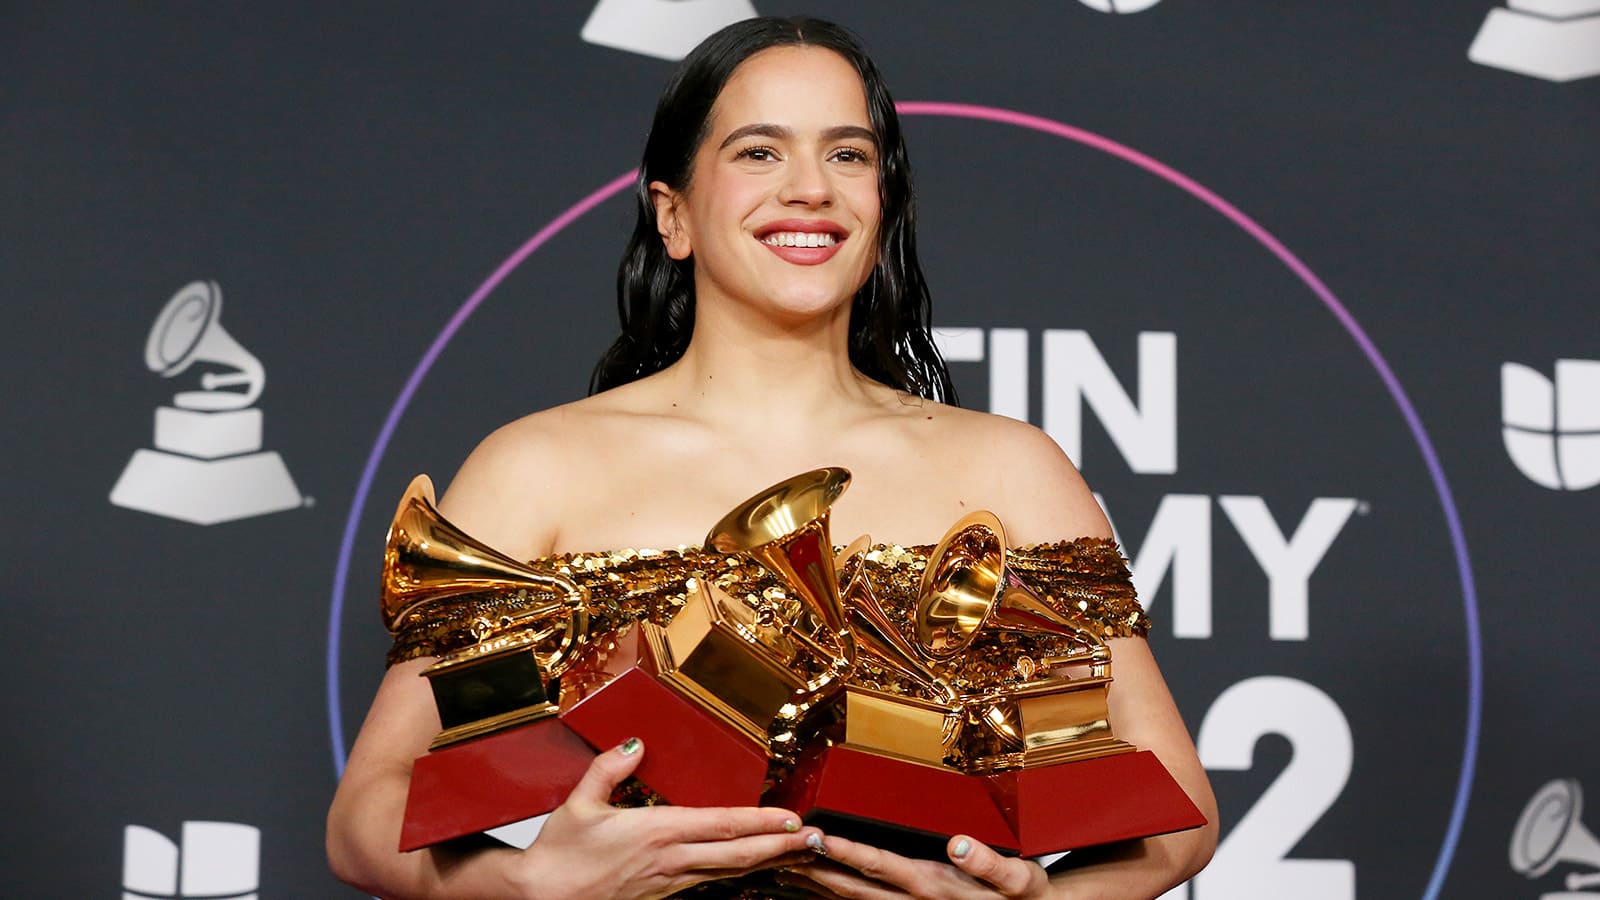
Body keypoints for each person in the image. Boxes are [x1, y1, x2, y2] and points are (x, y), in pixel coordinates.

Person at [326, 15, 1217, 899]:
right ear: (671, 214)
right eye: (759, 152)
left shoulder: (1013, 468)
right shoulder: (537, 466)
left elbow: (1179, 812)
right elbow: (368, 814)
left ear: (883, 208)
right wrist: (526, 889)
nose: (810, 189)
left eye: (848, 155)